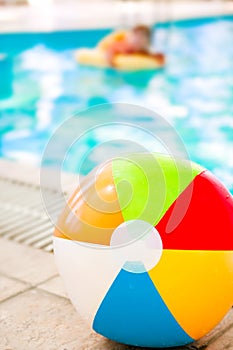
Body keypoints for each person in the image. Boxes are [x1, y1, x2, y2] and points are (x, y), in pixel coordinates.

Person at [98, 25, 165, 67]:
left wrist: (159, 60)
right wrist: (111, 62)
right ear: (131, 37)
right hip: (110, 43)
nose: (138, 40)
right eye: (136, 37)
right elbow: (111, 48)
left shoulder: (144, 49)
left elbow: (156, 55)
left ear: (147, 41)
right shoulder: (127, 46)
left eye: (141, 37)